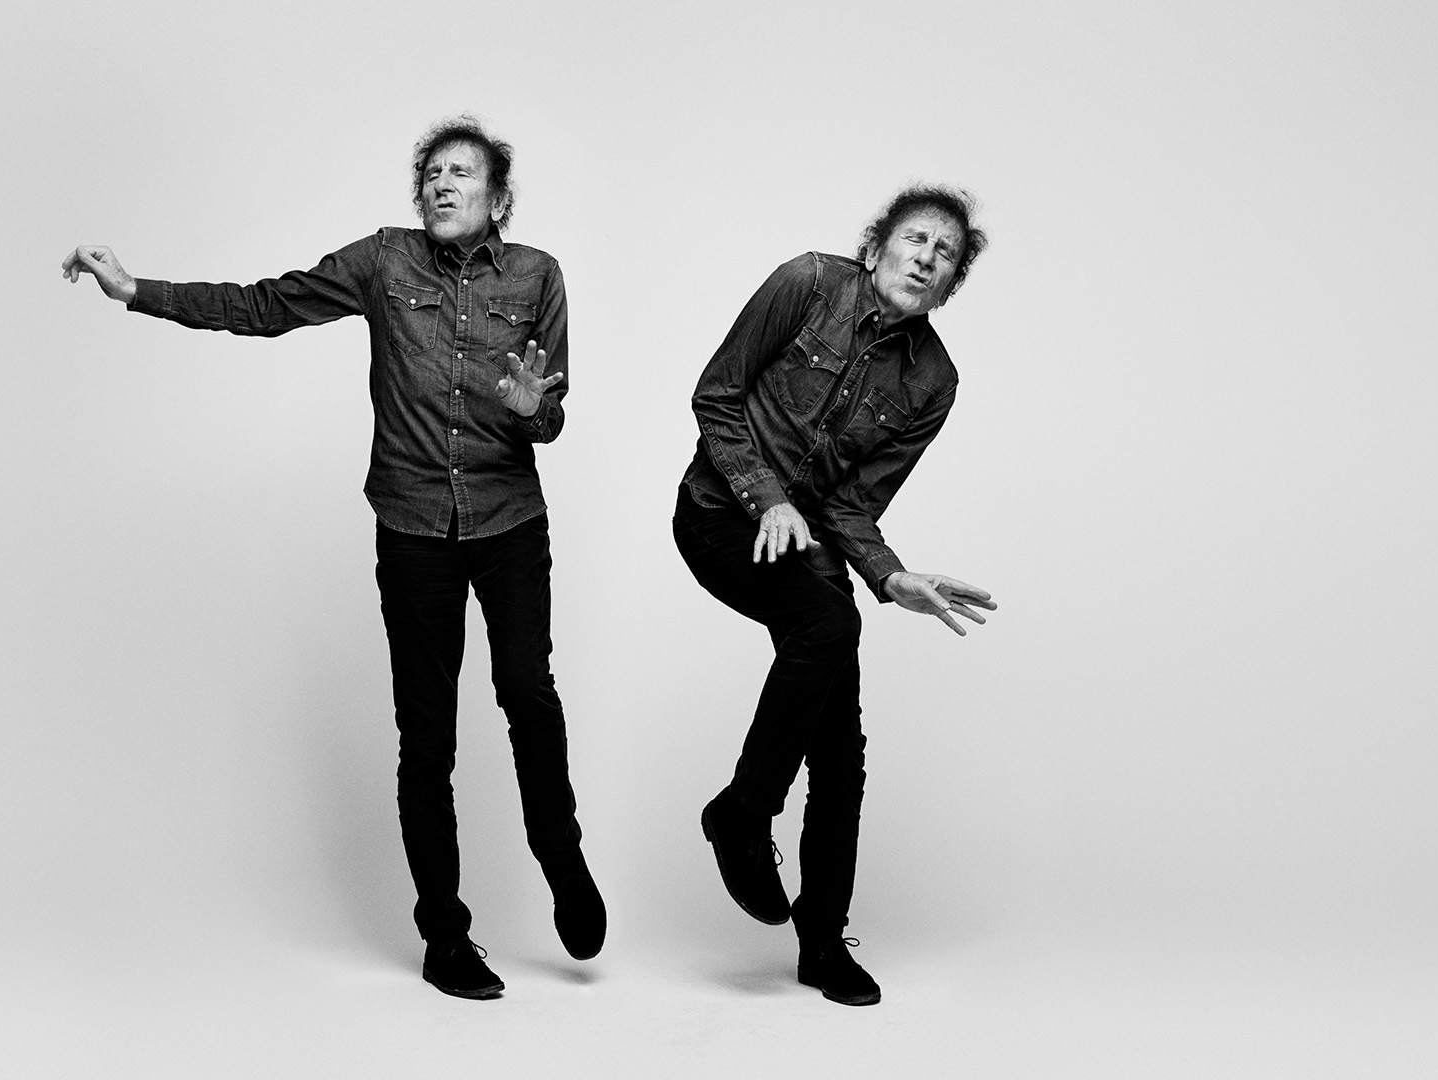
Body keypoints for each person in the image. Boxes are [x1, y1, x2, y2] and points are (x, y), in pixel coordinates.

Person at [60, 117, 602, 1000]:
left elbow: (551, 414)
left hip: (509, 521)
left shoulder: (539, 275)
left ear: (498, 197)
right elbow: (267, 306)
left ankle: (563, 863)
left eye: (461, 173)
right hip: (413, 527)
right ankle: (445, 936)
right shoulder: (385, 261)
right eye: (431, 172)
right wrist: (135, 290)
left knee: (528, 695)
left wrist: (530, 410)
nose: (441, 184)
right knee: (426, 735)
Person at [674, 185, 999, 1006]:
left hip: (809, 542)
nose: (927, 258)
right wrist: (767, 499)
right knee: (827, 622)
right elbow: (716, 395)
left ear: (951, 283)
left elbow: (853, 503)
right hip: (717, 512)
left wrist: (892, 575)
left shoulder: (934, 379)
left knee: (841, 746)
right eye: (916, 239)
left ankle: (821, 942)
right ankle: (744, 813)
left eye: (946, 254)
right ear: (878, 245)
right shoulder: (808, 282)